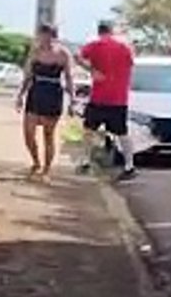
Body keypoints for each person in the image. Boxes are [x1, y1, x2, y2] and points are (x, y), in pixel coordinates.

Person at [74, 20, 137, 180]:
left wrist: (91, 70)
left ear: (99, 31)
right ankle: (129, 165)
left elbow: (77, 56)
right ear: (112, 30)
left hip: (99, 97)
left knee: (89, 130)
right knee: (122, 133)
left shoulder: (95, 45)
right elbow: (131, 63)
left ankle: (85, 161)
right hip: (119, 99)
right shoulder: (125, 46)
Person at [15, 23, 75, 183]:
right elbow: (27, 76)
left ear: (53, 36)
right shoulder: (35, 52)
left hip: (53, 93)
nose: (43, 38)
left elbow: (69, 77)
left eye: (47, 35)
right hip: (36, 92)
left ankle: (46, 169)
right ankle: (36, 162)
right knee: (28, 134)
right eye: (41, 35)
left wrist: (73, 100)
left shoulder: (63, 53)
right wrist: (20, 95)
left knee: (48, 135)